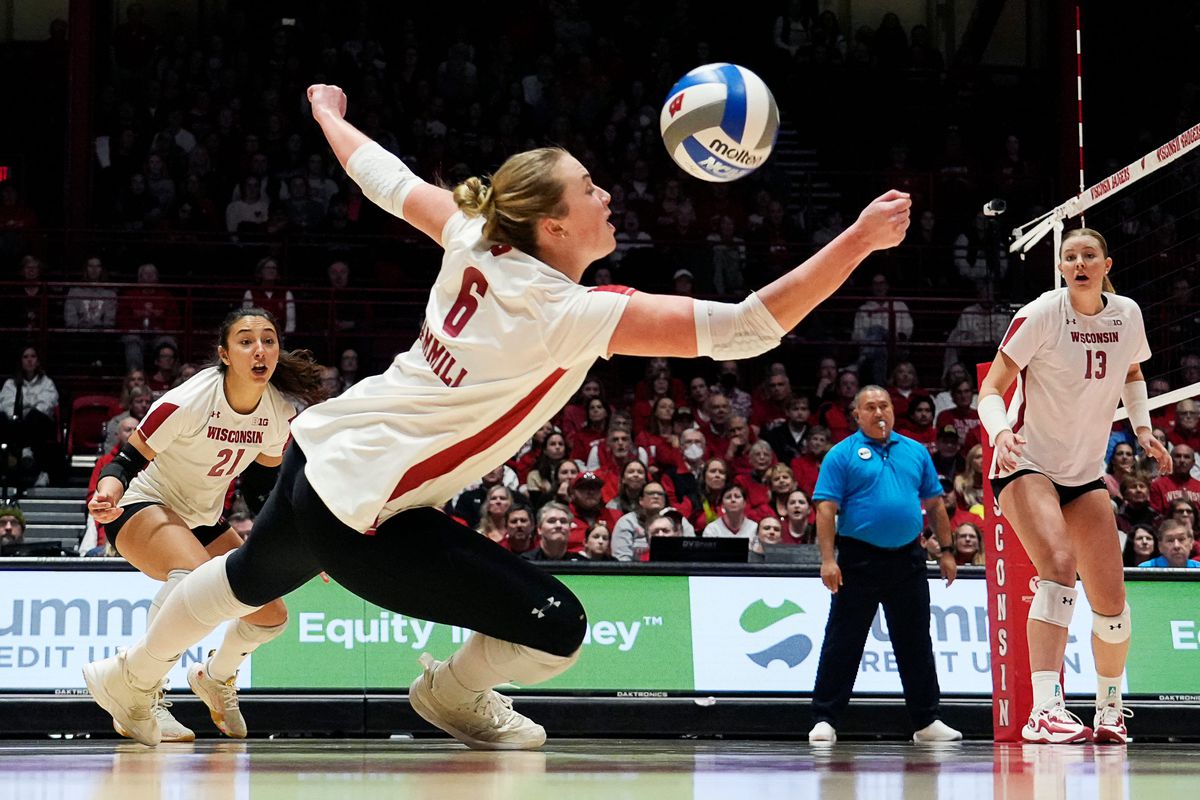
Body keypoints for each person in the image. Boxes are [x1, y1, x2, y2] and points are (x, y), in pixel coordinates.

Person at [82, 82, 910, 750]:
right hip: (366, 509)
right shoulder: (570, 310)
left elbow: (384, 178)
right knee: (561, 627)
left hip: (324, 449)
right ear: (554, 224)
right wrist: (860, 241)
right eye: (591, 188)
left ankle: (126, 679)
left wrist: (328, 115)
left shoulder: (477, 235)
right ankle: (450, 692)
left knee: (242, 580)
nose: (609, 193)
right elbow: (751, 325)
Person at [83, 307, 326, 743]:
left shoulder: (278, 410)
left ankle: (216, 676)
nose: (260, 350)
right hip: (143, 503)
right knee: (197, 577)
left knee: (271, 615)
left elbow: (264, 489)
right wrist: (108, 493)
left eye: (269, 340)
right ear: (224, 354)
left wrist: (312, 538)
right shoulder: (188, 400)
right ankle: (140, 692)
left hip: (201, 518)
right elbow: (126, 460)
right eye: (246, 341)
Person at [977, 227, 1170, 745]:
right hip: (1025, 460)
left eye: (1089, 256)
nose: (1079, 263)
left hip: (1083, 472)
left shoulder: (1127, 313)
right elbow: (991, 388)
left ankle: (1109, 708)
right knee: (1059, 567)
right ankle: (1045, 709)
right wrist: (999, 433)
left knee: (1112, 605)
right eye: (1070, 257)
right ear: (1061, 267)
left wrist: (1143, 428)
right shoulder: (1042, 313)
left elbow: (1131, 372)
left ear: (1107, 264)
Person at [807, 385, 960, 745]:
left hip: (909, 557)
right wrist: (828, 559)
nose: (879, 413)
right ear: (856, 415)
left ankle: (926, 721)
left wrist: (947, 551)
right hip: (859, 559)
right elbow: (826, 509)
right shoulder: (840, 455)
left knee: (916, 641)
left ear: (893, 411)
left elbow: (936, 506)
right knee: (844, 640)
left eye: (885, 406)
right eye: (870, 407)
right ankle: (825, 718)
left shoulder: (916, 451)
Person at [0, 346, 61, 488]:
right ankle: (23, 459)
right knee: (7, 419)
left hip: (39, 425)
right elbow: (6, 405)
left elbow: (47, 404)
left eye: (33, 356)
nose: (29, 360)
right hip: (15, 424)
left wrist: (25, 407)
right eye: (25, 357)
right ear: (20, 361)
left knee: (34, 417)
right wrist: (29, 405)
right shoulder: (10, 384)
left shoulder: (47, 383)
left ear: (38, 361)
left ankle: (30, 458)